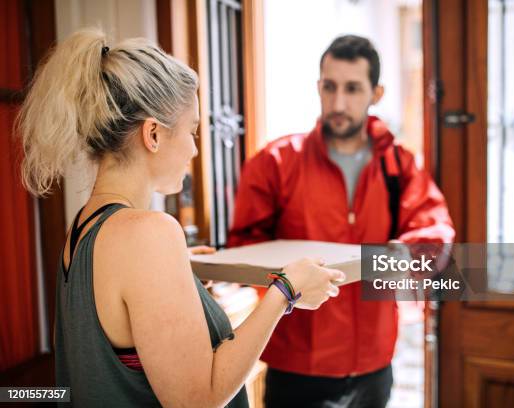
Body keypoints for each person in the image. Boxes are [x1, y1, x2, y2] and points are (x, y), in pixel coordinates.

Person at [16, 28, 345, 407]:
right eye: (191, 130)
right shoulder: (149, 234)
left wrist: (177, 274)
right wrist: (285, 291)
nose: (193, 148)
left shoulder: (85, 226)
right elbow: (198, 400)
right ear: (152, 134)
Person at [228, 35, 455, 407]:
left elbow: (435, 232)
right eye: (329, 87)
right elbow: (244, 250)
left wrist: (402, 255)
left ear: (376, 93)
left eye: (352, 89)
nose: (338, 103)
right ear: (318, 87)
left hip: (374, 365)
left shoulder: (399, 165)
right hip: (297, 367)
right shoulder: (275, 162)